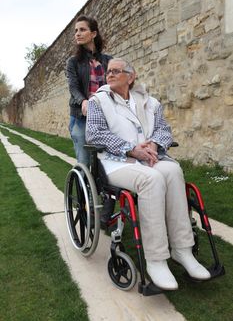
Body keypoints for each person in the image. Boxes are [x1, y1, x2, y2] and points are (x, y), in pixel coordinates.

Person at [86, 58, 211, 290]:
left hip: (149, 157)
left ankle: (183, 250)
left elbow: (164, 130)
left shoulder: (150, 102)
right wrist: (130, 149)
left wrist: (153, 144)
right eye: (108, 71)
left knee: (173, 170)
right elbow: (93, 134)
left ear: (130, 77)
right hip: (117, 162)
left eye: (116, 71)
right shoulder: (99, 101)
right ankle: (156, 259)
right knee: (151, 179)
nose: (110, 74)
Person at [66, 15, 114, 226]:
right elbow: (74, 87)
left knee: (107, 165)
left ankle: (105, 212)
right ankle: (85, 209)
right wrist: (83, 102)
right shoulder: (73, 62)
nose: (77, 33)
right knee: (84, 164)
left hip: (105, 120)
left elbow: (115, 84)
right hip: (81, 119)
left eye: (82, 30)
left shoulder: (107, 61)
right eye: (76, 31)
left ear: (93, 33)